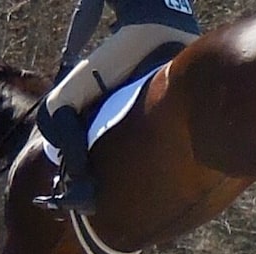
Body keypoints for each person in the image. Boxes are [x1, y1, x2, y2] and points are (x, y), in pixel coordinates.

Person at [32, 0, 201, 214]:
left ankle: (82, 185)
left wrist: (68, 60)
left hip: (145, 29)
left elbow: (89, 9)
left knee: (58, 103)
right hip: (192, 36)